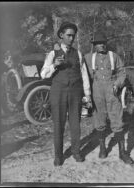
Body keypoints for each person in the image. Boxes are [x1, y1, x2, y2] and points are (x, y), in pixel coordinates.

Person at [41, 22, 92, 166]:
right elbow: (43, 74)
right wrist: (54, 65)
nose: (71, 38)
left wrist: (87, 94)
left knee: (76, 124)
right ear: (61, 35)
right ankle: (58, 156)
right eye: (69, 35)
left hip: (76, 92)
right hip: (58, 93)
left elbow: (84, 75)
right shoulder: (52, 53)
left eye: (73, 36)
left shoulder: (78, 53)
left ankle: (76, 152)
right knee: (58, 125)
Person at [85, 32, 134, 165]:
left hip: (112, 91)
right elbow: (82, 74)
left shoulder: (114, 56)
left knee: (117, 121)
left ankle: (122, 153)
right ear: (94, 45)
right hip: (96, 91)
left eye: (103, 42)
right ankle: (102, 148)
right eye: (98, 43)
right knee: (99, 120)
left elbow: (122, 72)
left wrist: (117, 84)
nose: (101, 45)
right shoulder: (88, 58)